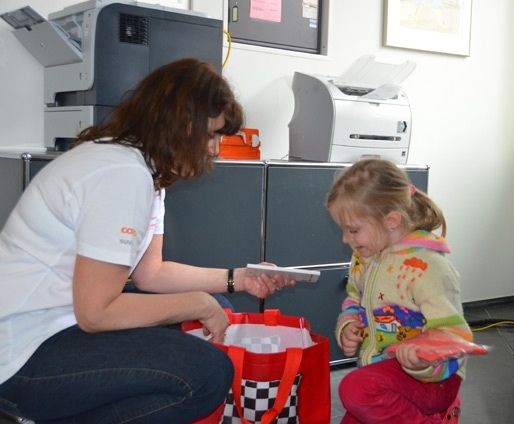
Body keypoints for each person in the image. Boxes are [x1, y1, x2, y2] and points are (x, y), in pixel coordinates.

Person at [0, 58, 294, 423]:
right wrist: (199, 304)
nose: (215, 149)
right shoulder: (122, 175)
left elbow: (150, 274)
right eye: (211, 135)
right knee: (207, 373)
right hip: (22, 353)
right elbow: (96, 313)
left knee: (217, 304)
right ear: (179, 124)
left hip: (60, 322)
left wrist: (238, 279)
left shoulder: (144, 169)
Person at [326, 158, 472, 423]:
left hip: (433, 379)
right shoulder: (364, 259)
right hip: (383, 373)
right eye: (343, 230)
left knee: (355, 389)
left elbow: (454, 335)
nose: (346, 239)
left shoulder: (429, 268)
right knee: (355, 408)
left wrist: (423, 359)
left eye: (353, 230)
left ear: (391, 220)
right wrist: (347, 325)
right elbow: (354, 298)